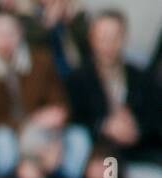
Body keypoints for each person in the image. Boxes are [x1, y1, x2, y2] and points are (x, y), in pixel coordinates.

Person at [0, 12, 88, 178]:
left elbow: (59, 101)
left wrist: (57, 119)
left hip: (45, 131)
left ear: (20, 34)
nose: (5, 40)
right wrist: (29, 125)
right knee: (3, 143)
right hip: (6, 136)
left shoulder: (41, 60)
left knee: (79, 138)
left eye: (10, 34)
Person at [65, 9, 161, 162]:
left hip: (142, 153)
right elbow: (75, 119)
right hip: (100, 159)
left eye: (114, 38)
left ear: (124, 38)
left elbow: (156, 116)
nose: (108, 45)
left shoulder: (142, 78)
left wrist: (137, 128)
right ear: (92, 39)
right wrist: (104, 126)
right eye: (102, 38)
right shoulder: (78, 79)